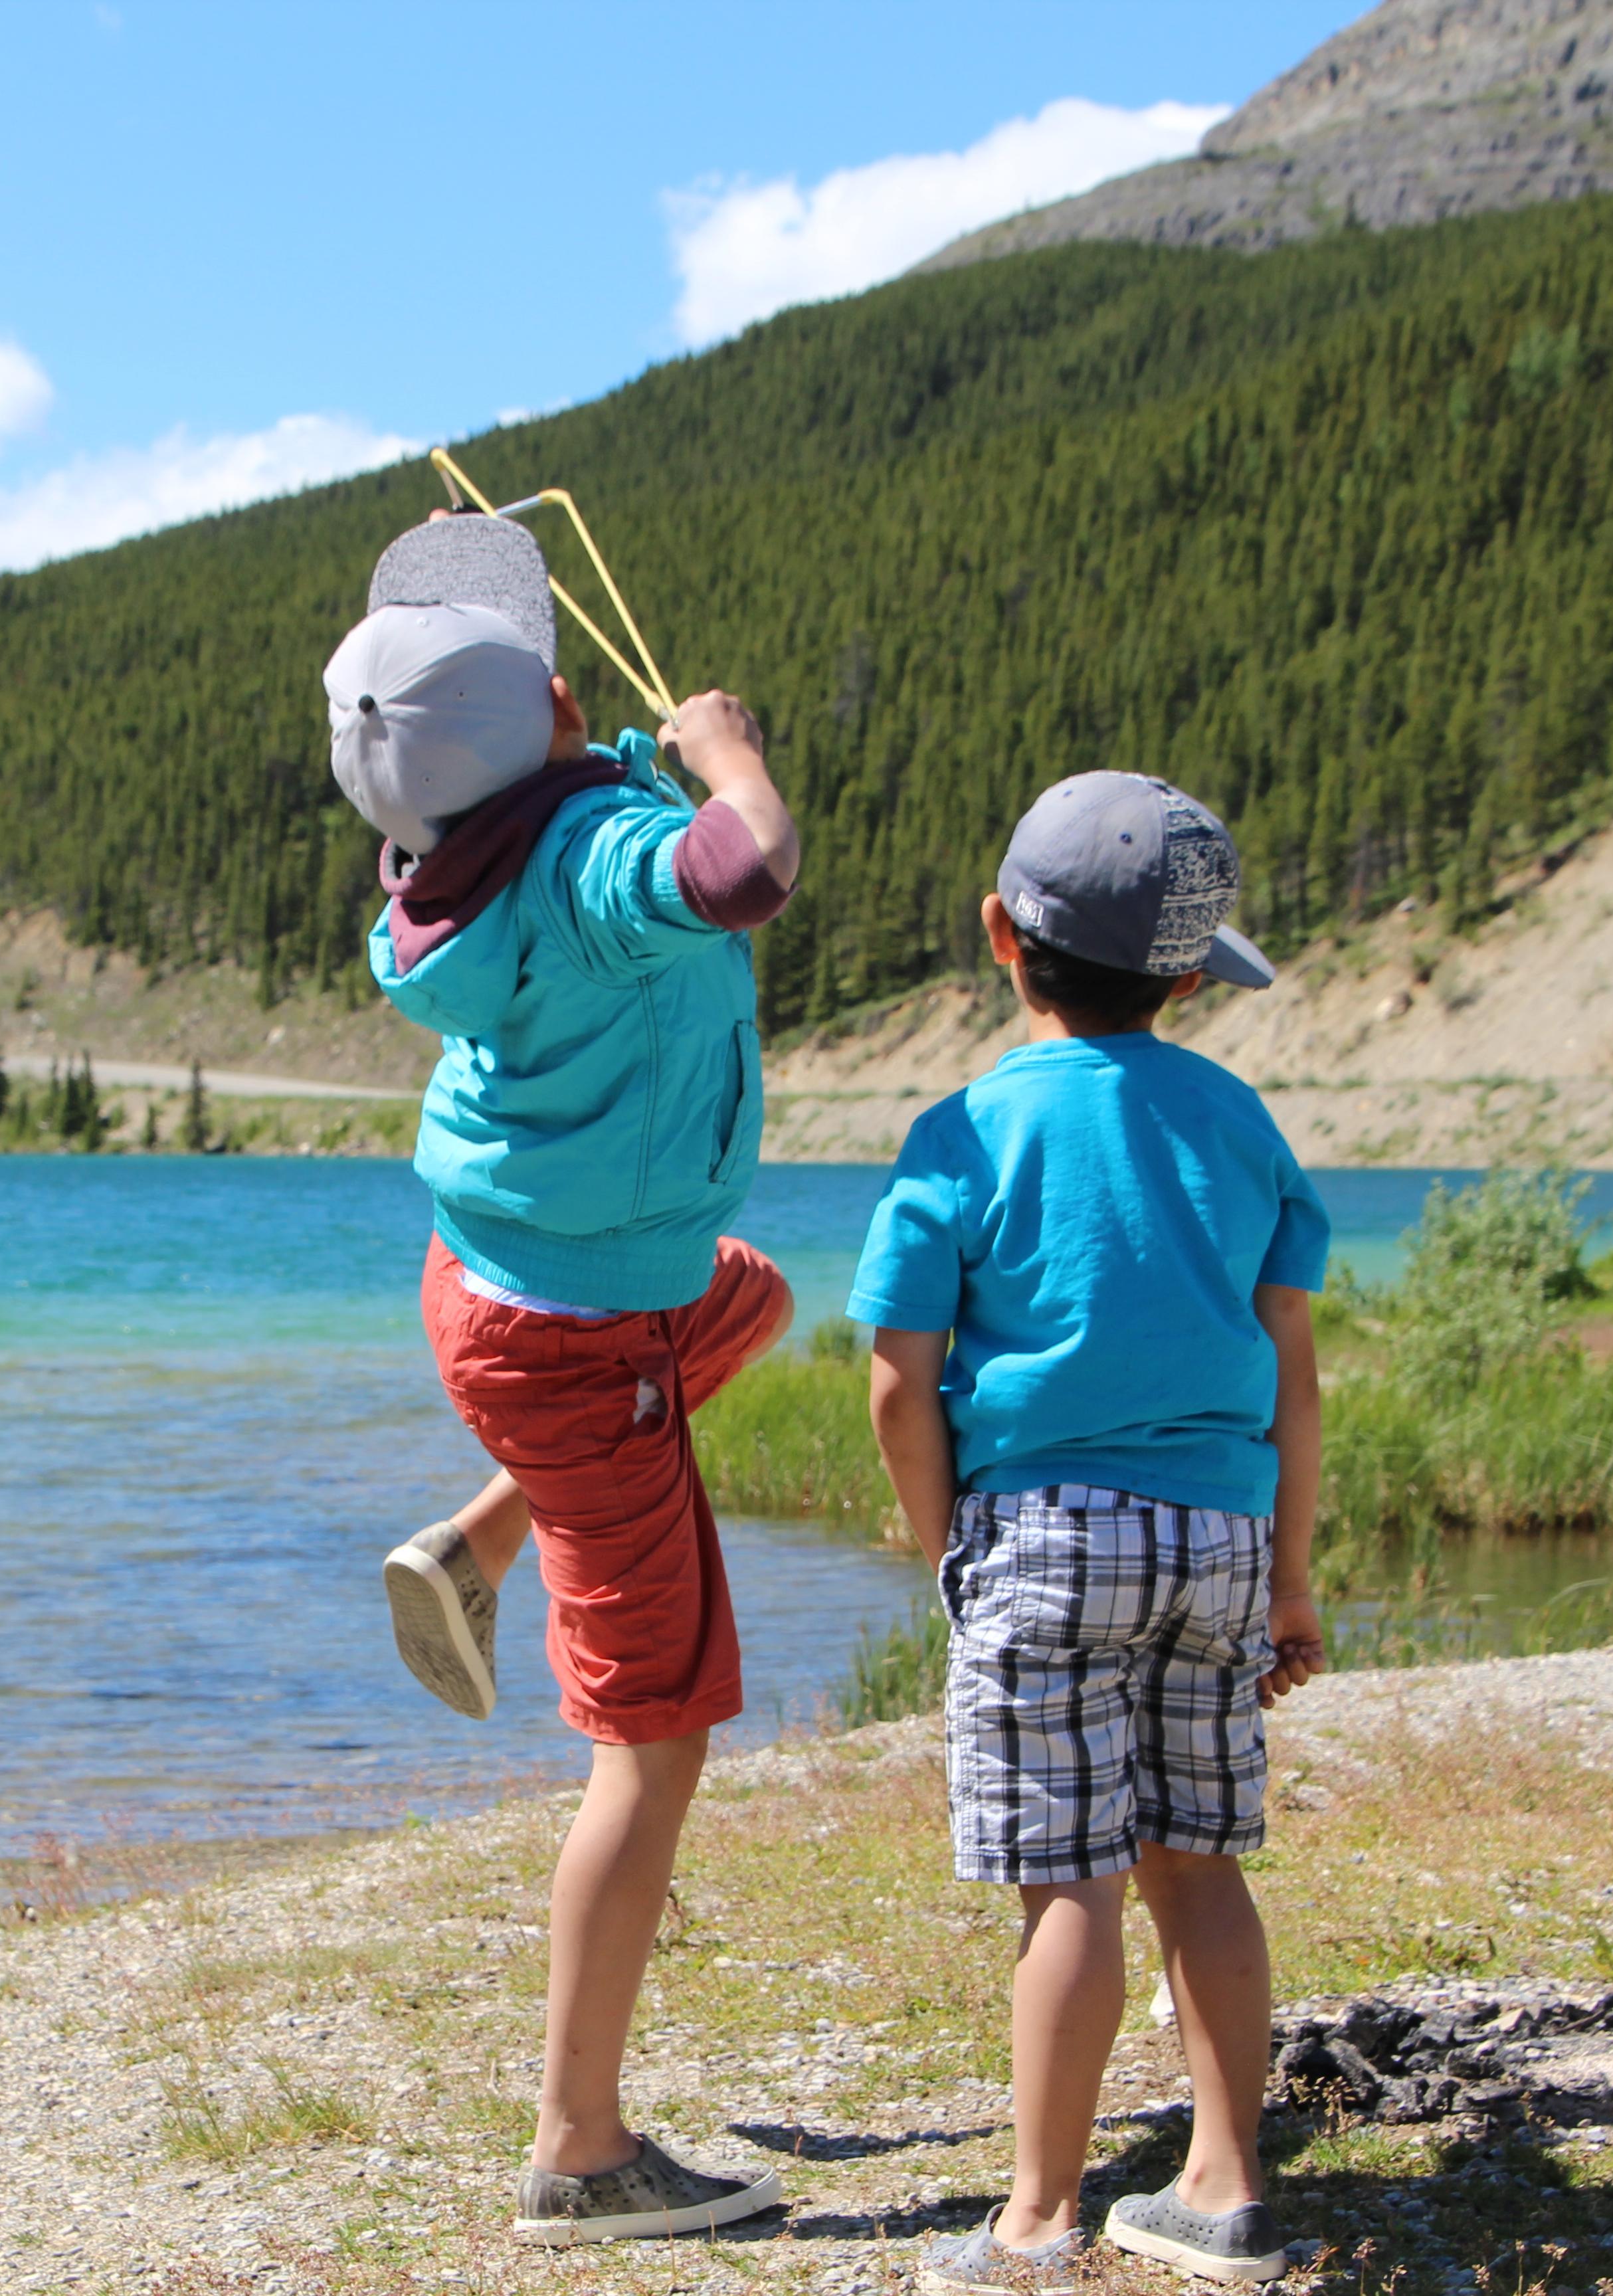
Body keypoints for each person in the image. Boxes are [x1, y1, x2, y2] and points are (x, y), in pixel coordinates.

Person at [329, 510, 801, 2244]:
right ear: (551, 710)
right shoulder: (604, 858)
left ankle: (476, 1540)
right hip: (582, 1344)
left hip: (511, 1292)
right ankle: (581, 2146)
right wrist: (726, 753)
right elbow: (742, 871)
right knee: (653, 1735)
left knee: (743, 1303)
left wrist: (582, 746)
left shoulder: (436, 871)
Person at [846, 772, 1329, 2288]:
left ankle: (1038, 2220)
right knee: (1200, 1858)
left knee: (1071, 1880)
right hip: (1222, 1540)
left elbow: (894, 1384)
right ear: (1192, 976)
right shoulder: (1241, 1123)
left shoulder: (965, 1129)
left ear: (1002, 934)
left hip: (1042, 1537)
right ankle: (1225, 2186)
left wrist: (948, 1549)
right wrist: (1293, 1583)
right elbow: (1294, 1377)